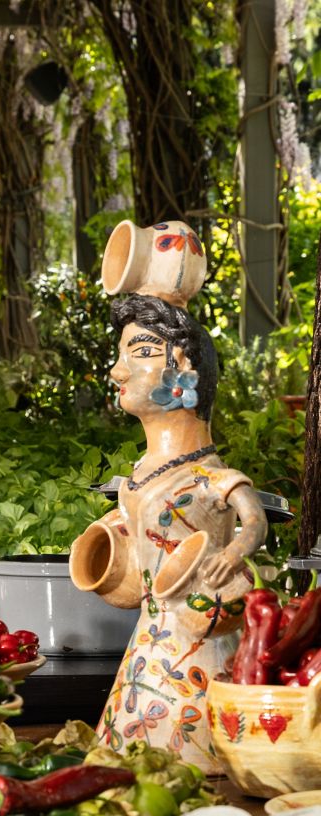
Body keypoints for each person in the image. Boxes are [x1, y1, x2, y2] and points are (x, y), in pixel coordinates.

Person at [92, 293, 267, 770]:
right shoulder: (136, 477)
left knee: (201, 755)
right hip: (147, 648)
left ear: (183, 370)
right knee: (128, 757)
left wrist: (233, 554)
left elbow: (255, 520)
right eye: (121, 353)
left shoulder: (210, 476)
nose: (118, 370)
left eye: (141, 352)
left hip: (204, 632)